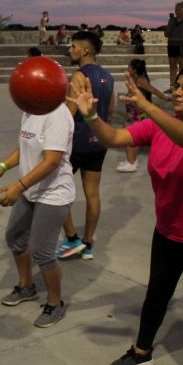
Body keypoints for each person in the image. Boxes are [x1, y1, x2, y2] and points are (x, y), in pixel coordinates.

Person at [72, 66, 183, 365]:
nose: (177, 92)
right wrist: (91, 116)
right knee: (156, 294)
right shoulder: (157, 126)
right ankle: (142, 352)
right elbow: (114, 138)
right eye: (176, 86)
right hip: (169, 231)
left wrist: (148, 106)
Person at [0, 100, 74, 328]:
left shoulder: (58, 114)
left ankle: (55, 303)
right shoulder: (30, 110)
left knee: (42, 250)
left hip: (53, 192)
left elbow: (52, 161)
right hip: (31, 189)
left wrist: (18, 187)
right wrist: (2, 166)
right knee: (15, 238)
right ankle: (26, 287)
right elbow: (24, 146)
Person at [56, 31, 114, 260]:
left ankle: (72, 239)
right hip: (100, 141)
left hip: (78, 142)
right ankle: (88, 244)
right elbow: (110, 109)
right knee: (92, 193)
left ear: (85, 50)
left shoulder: (79, 76)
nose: (70, 50)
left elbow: (70, 114)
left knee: (53, 188)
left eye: (73, 47)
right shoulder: (108, 76)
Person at [117, 59, 170, 173]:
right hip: (133, 112)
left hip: (139, 113)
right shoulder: (134, 79)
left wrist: (165, 98)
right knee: (129, 134)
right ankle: (130, 161)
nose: (127, 68)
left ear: (134, 70)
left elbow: (153, 90)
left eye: (129, 67)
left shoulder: (141, 80)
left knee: (131, 136)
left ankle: (132, 163)